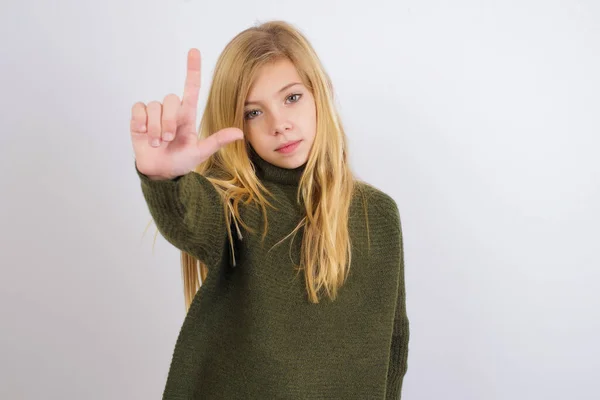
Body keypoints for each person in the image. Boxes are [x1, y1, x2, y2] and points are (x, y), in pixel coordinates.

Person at [130, 20, 409, 400]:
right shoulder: (234, 205)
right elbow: (190, 217)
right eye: (253, 113)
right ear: (236, 123)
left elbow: (392, 349)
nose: (280, 125)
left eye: (291, 98)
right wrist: (165, 178)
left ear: (319, 93)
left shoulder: (377, 215)